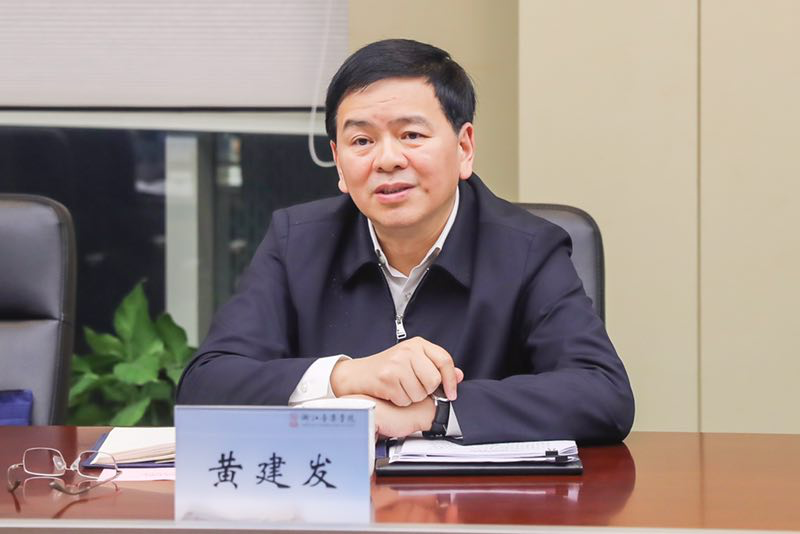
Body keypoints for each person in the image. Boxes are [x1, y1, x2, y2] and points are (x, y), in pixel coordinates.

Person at [177, 39, 634, 444]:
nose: (387, 159)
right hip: (336, 497)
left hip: (476, 502)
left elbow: (602, 394)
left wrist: (430, 414)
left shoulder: (528, 248)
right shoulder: (297, 241)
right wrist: (348, 376)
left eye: (411, 135)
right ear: (338, 161)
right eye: (362, 141)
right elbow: (206, 385)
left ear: (464, 147)